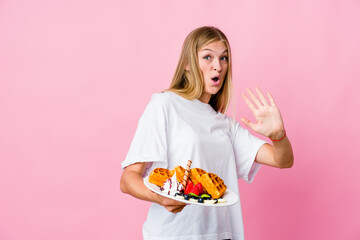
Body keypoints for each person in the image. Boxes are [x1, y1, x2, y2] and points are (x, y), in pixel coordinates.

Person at [120, 26, 294, 240]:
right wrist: (160, 198)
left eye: (224, 58)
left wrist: (278, 135)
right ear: (187, 64)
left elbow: (282, 159)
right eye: (207, 57)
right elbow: (128, 179)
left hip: (223, 235)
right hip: (175, 235)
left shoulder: (225, 125)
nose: (218, 66)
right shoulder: (165, 104)